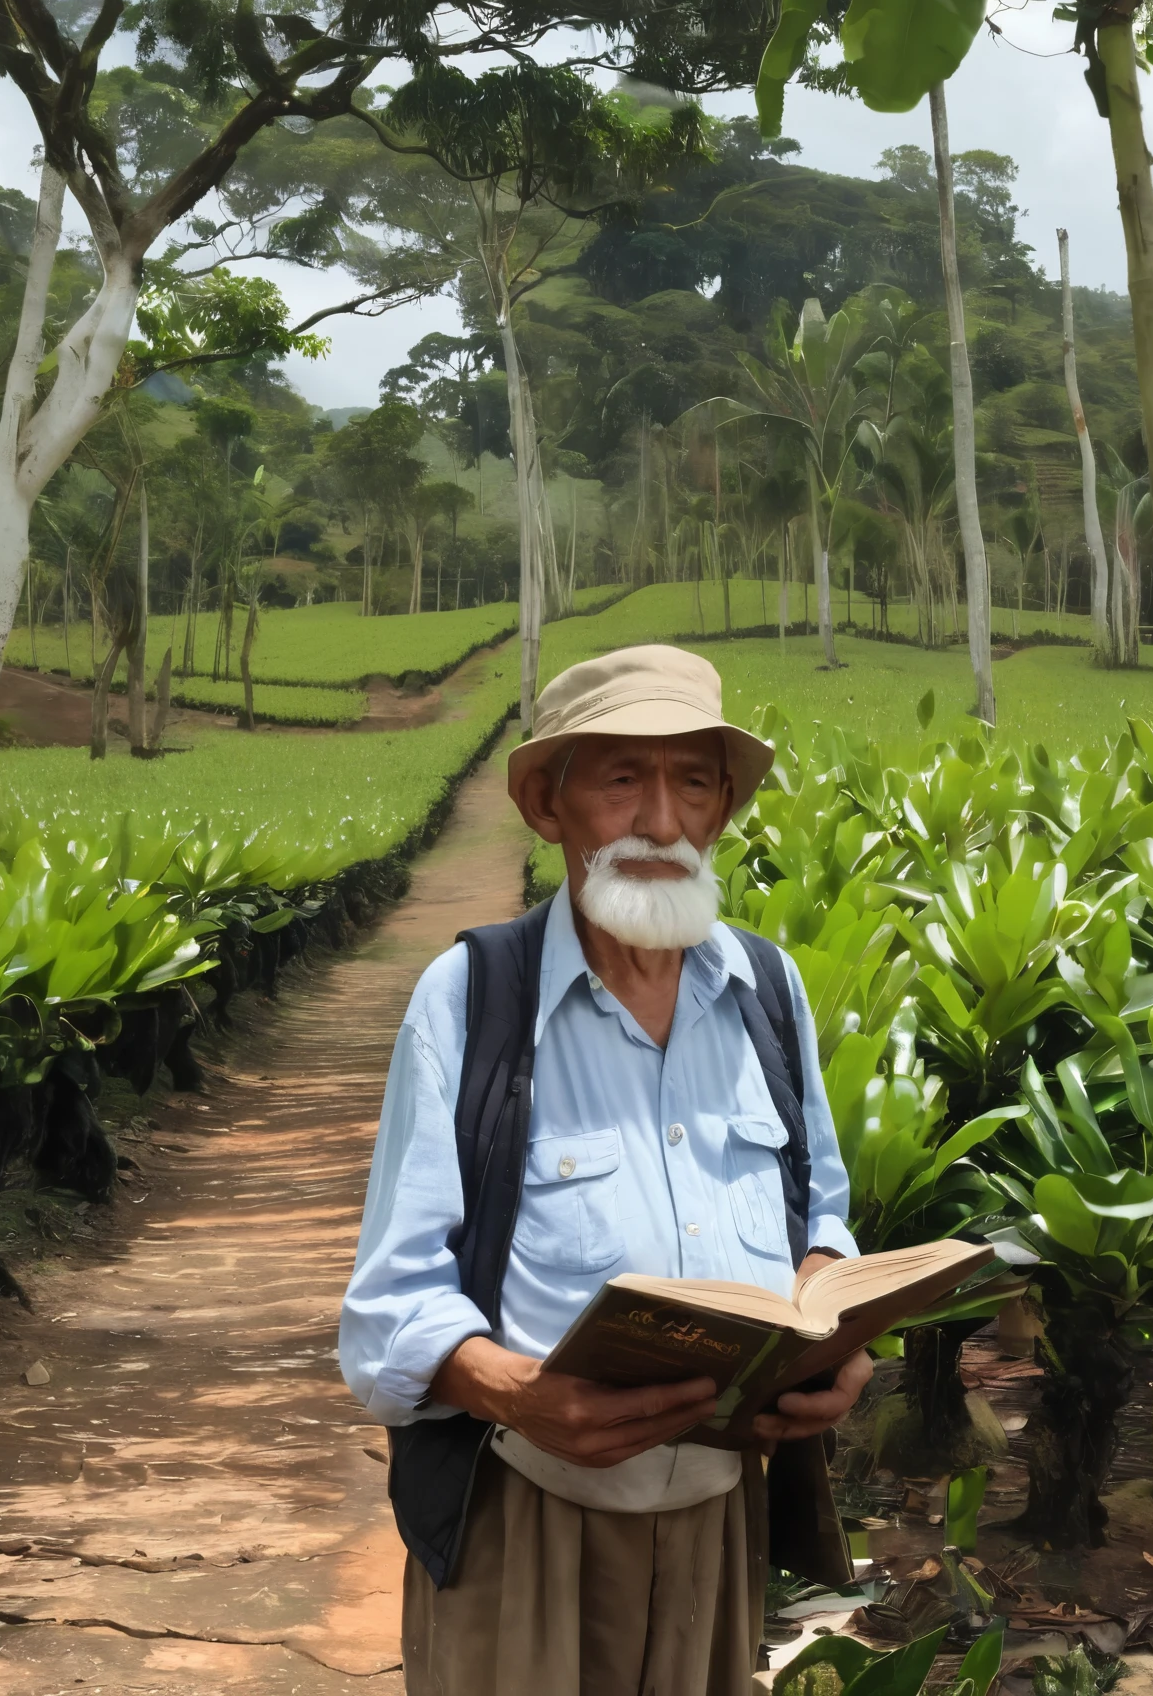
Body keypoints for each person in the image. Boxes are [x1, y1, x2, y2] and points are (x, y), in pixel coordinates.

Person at [340, 643, 871, 1696]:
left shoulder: (768, 991)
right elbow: (389, 1306)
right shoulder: (471, 999)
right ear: (551, 806)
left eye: (693, 782)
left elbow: (824, 1221)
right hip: (526, 1513)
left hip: (719, 1512)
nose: (661, 823)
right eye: (623, 779)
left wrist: (834, 1330)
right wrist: (520, 1392)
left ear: (721, 811)